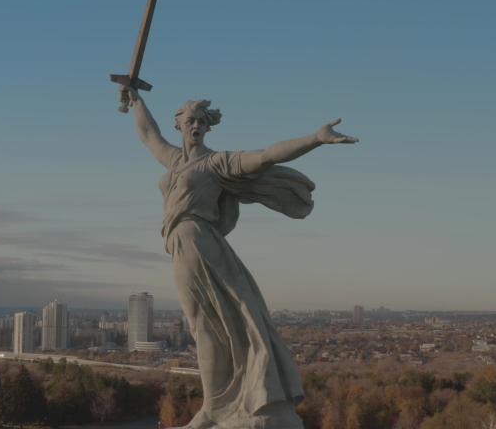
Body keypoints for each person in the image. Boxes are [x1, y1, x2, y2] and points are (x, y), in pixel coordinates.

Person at [120, 86, 358, 429]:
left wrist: (316, 139)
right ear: (180, 125)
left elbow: (266, 155)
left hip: (200, 242)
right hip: (181, 247)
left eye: (202, 122)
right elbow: (148, 134)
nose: (196, 126)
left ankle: (217, 407)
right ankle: (215, 406)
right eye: (191, 121)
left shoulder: (217, 162)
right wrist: (136, 100)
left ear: (208, 127)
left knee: (217, 323)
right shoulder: (173, 160)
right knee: (204, 327)